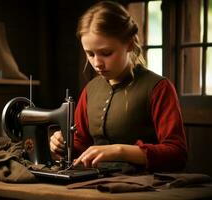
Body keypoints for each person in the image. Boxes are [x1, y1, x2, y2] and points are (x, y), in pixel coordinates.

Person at [50, 1, 187, 172]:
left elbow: (177, 154)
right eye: (90, 54)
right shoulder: (90, 90)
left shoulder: (159, 88)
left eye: (106, 53)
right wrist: (62, 145)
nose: (97, 63)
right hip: (92, 184)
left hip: (142, 188)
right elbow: (81, 145)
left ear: (129, 44)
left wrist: (119, 151)